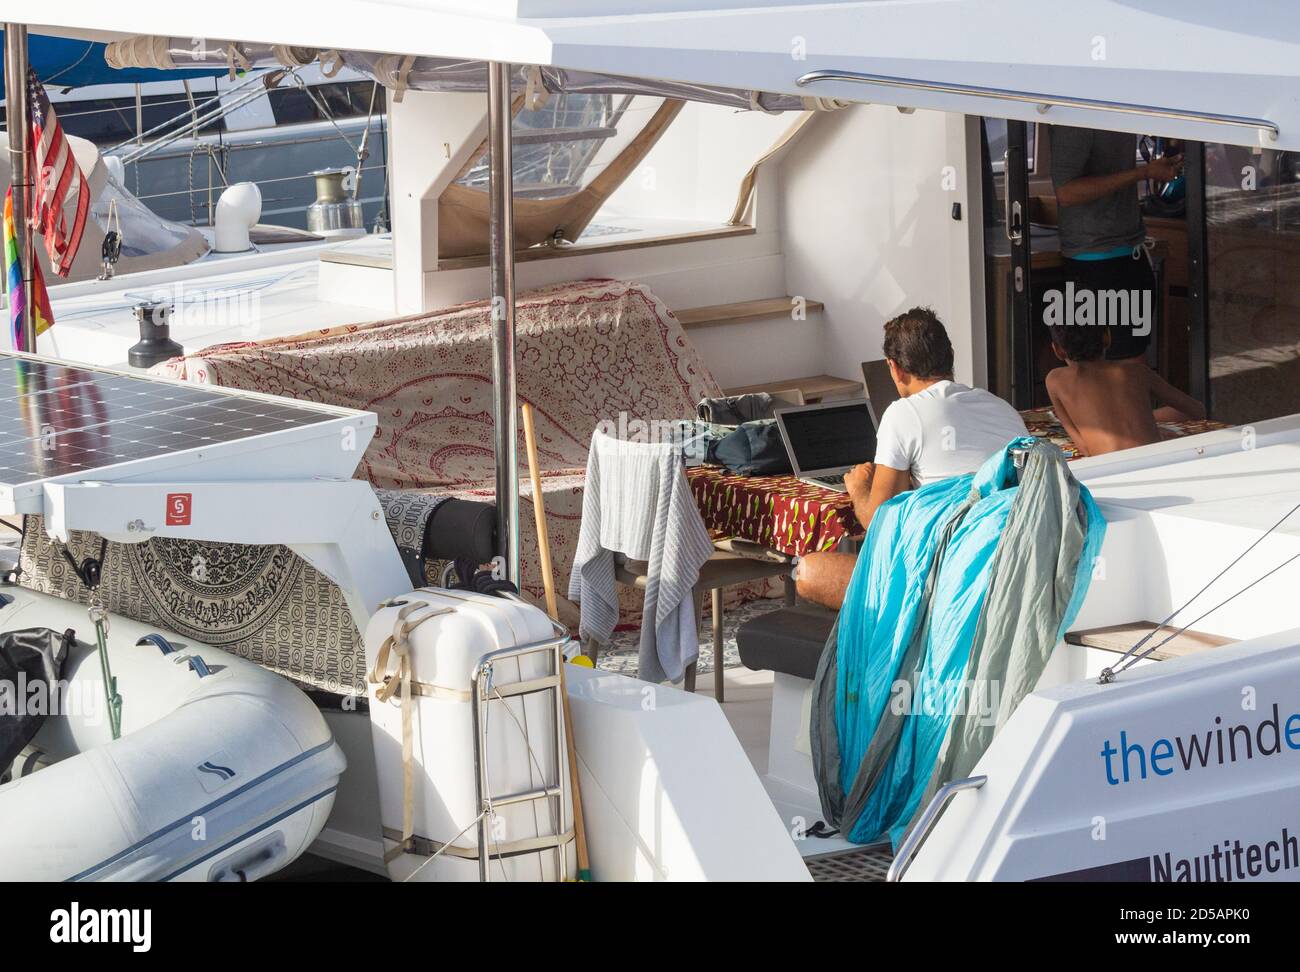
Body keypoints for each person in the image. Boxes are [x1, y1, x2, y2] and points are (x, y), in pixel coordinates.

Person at [795, 308, 1028, 609]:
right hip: (1012, 559)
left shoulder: (902, 414)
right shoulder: (1002, 408)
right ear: (950, 357)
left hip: (948, 573)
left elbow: (878, 523)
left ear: (894, 368)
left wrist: (858, 488)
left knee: (807, 572)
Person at [1050, 126, 1183, 360]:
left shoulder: (1118, 110)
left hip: (1132, 254)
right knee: (1102, 369)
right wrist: (1143, 173)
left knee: (1134, 363)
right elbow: (1066, 192)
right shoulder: (1075, 118)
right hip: (1095, 263)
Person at [1045, 323, 1205, 458]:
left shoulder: (1055, 381)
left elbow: (1085, 449)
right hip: (1156, 464)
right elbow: (1198, 410)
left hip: (1113, 474)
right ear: (1107, 336)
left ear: (1057, 350)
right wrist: (1146, 422)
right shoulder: (1138, 372)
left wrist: (1145, 420)